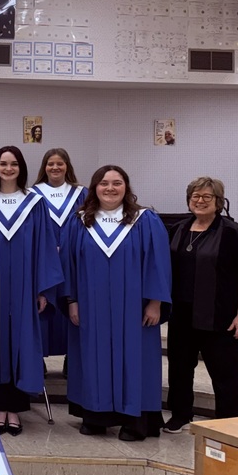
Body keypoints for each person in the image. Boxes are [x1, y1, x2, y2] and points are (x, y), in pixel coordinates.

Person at [61, 165, 171, 441]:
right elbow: (69, 265)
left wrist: (155, 302)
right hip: (90, 306)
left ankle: (134, 421)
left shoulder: (145, 220)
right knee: (92, 356)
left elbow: (158, 264)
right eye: (104, 183)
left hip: (134, 308)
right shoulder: (80, 221)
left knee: (135, 359)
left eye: (117, 183)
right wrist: (72, 300)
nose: (110, 188)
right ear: (94, 187)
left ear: (126, 187)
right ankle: (96, 416)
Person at [0, 146, 62, 436]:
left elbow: (45, 246)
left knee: (20, 340)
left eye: (14, 164)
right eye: (3, 164)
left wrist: (42, 289)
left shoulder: (34, 204)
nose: (8, 168)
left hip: (23, 287)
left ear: (21, 168)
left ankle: (14, 409)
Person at [164, 177, 238, 433]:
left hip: (220, 316)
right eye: (195, 196)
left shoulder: (233, 232)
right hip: (182, 315)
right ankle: (181, 415)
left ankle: (228, 424)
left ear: (218, 202)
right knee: (180, 369)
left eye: (207, 197)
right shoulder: (179, 228)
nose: (200, 201)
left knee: (225, 375)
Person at [31, 148, 87, 360]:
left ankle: (72, 359)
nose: (55, 167)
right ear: (44, 167)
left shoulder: (82, 193)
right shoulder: (32, 195)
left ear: (67, 167)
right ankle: (38, 358)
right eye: (50, 164)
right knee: (42, 308)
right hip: (42, 262)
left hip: (73, 261)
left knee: (71, 305)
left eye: (59, 164)